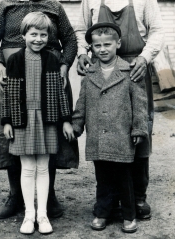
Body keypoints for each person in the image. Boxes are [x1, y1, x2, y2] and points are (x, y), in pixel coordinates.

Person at [0, 0, 77, 220]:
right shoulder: (6, 5)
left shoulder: (53, 6)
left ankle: (49, 196)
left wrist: (65, 65)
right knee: (14, 130)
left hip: (49, 73)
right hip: (11, 74)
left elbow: (70, 39)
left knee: (49, 130)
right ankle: (16, 196)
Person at [75, 0, 164, 223]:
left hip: (134, 68)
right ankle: (109, 199)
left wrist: (144, 59)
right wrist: (83, 53)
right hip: (101, 70)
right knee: (104, 129)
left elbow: (157, 31)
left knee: (138, 130)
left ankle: (137, 197)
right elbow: (82, 29)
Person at [64, 22, 149, 233]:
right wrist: (76, 127)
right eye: (97, 46)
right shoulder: (90, 74)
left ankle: (129, 216)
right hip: (98, 139)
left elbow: (140, 105)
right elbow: (81, 105)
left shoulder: (130, 72)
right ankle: (102, 212)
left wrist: (138, 129)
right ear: (91, 48)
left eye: (107, 45)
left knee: (124, 179)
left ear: (118, 44)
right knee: (102, 179)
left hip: (122, 137)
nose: (102, 49)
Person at [1, 11, 74, 235]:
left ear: (48, 36)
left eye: (43, 35)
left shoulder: (53, 60)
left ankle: (42, 215)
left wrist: (66, 120)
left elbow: (60, 94)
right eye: (33, 34)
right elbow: (9, 94)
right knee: (27, 168)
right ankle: (28, 215)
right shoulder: (14, 60)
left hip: (47, 120)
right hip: (23, 120)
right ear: (23, 35)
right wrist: (7, 121)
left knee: (44, 168)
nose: (38, 39)